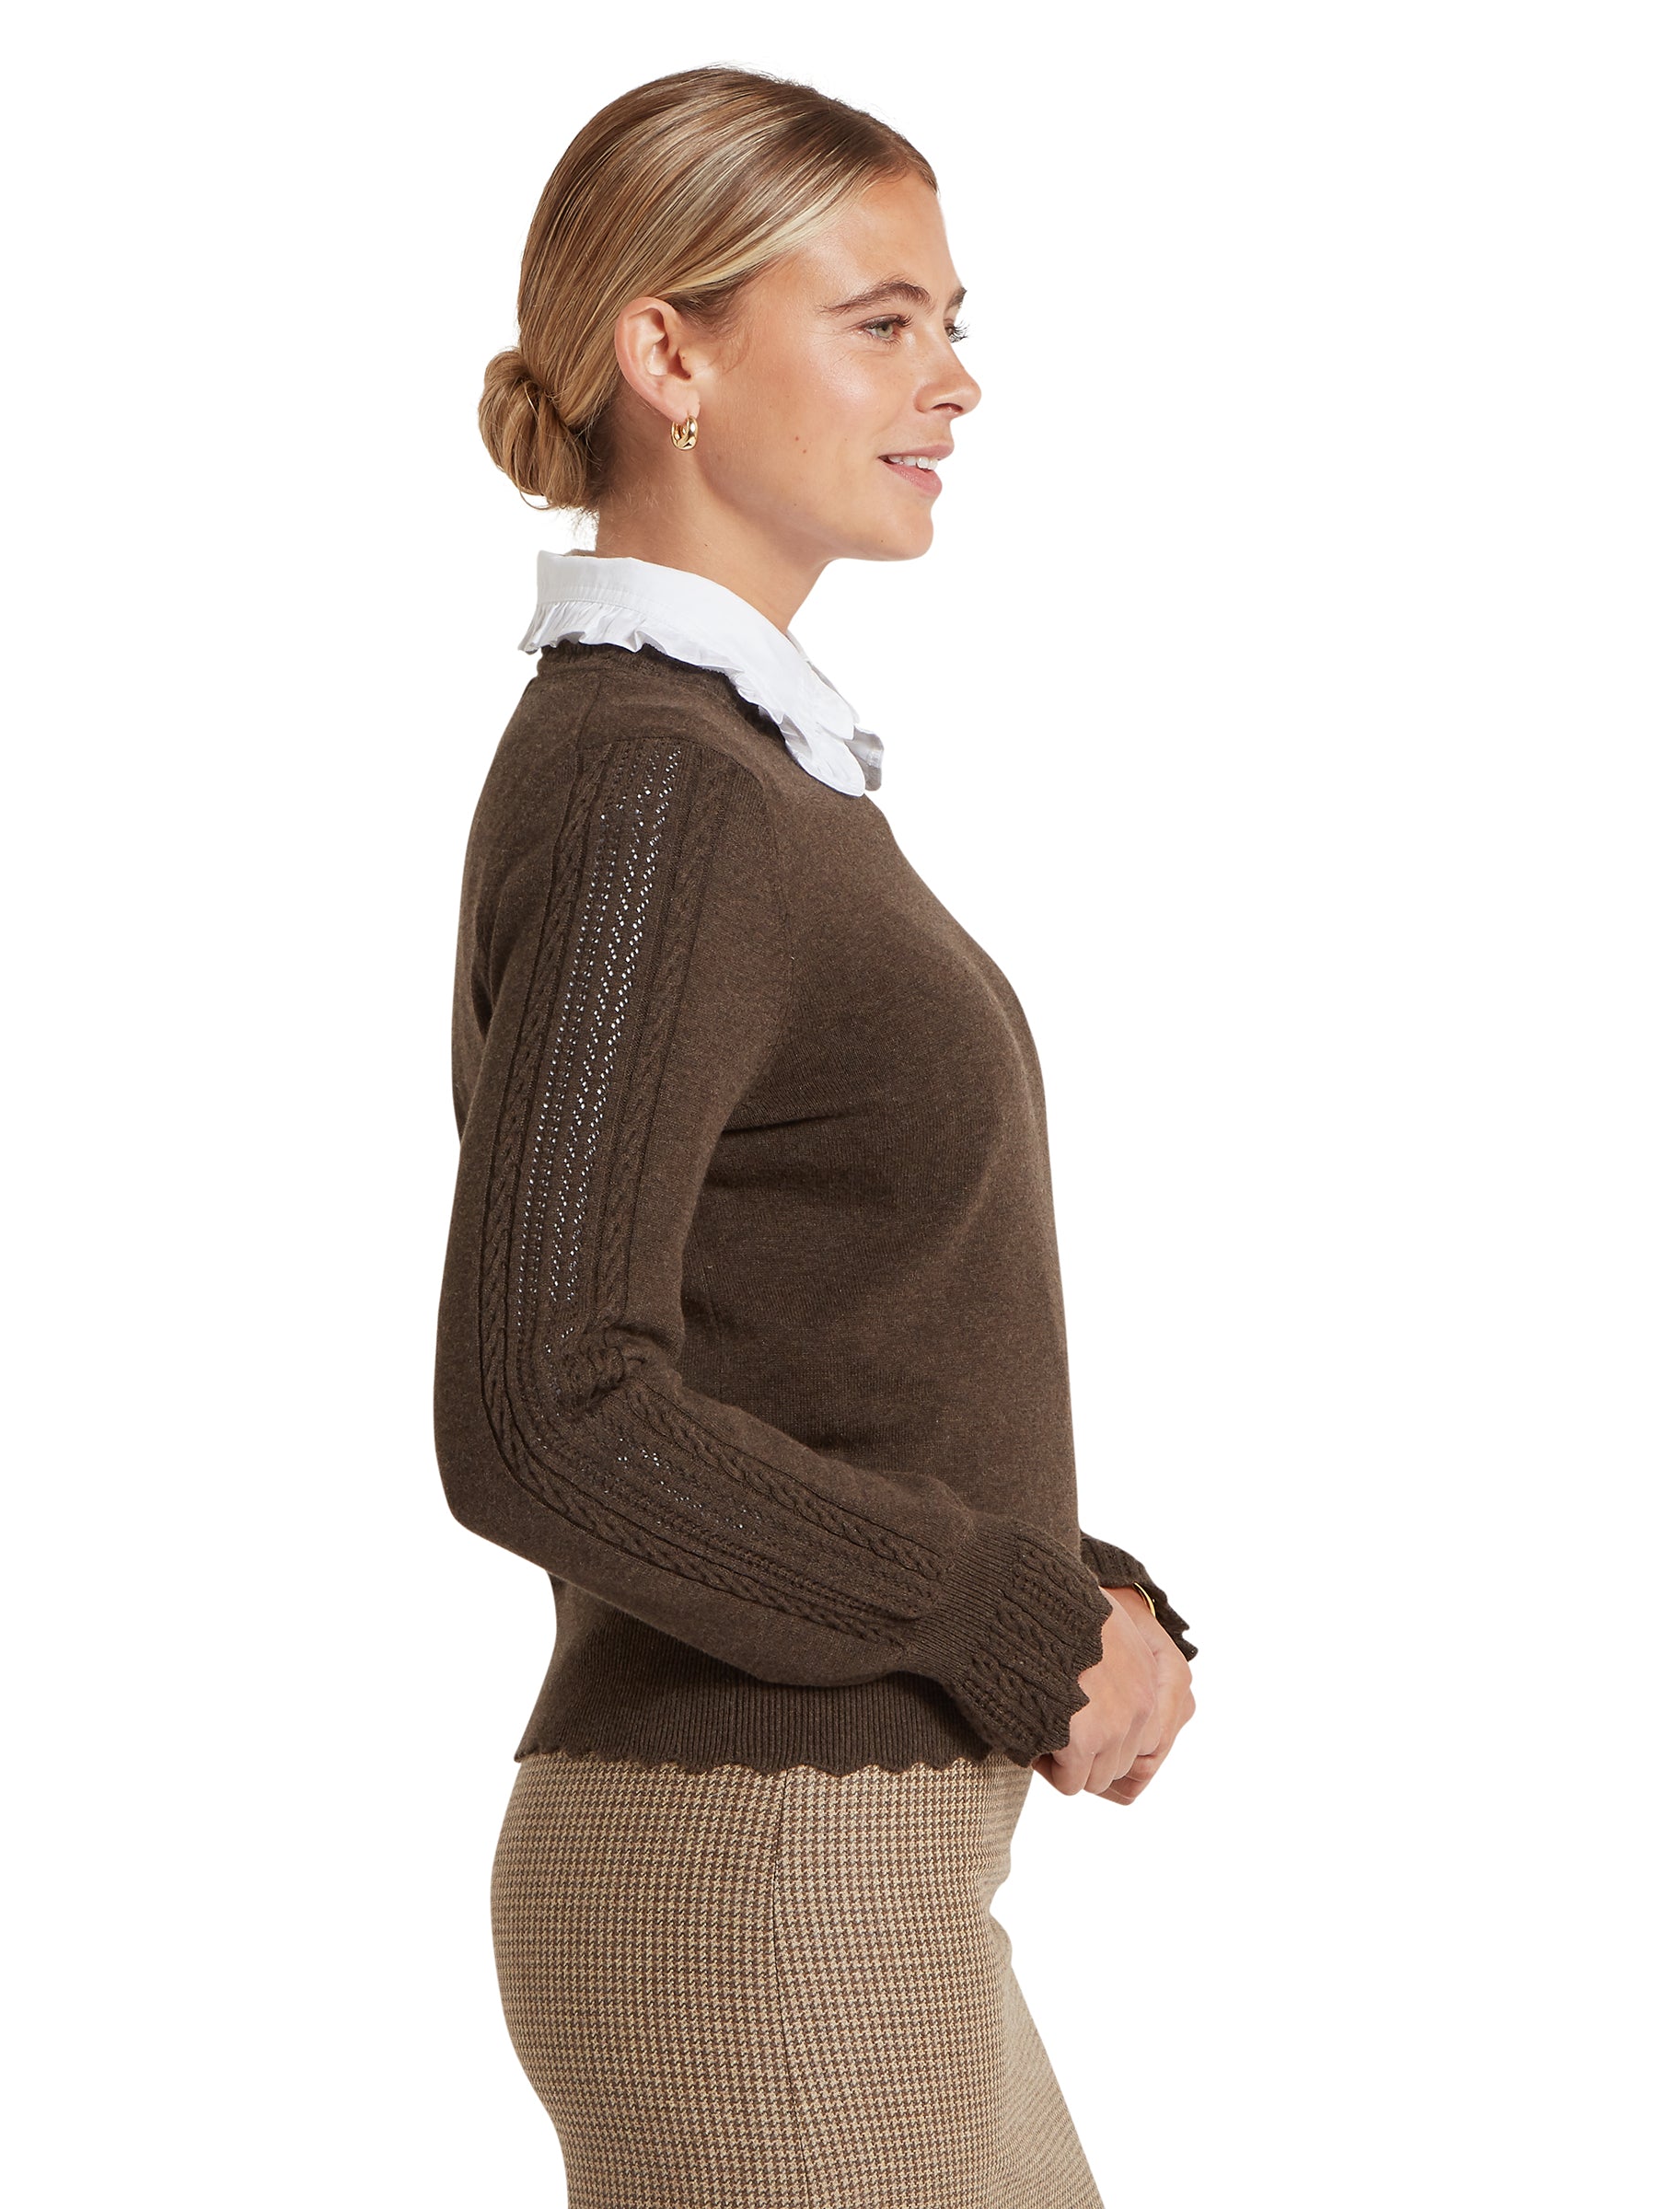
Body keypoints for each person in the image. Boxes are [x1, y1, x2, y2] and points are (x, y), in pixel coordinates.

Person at [433, 64, 1199, 2209]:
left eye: (951, 320)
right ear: (665, 356)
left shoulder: (736, 771)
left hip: (838, 1874)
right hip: (765, 1885)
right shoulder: (659, 788)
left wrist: (1057, 1583)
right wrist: (1009, 1612)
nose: (953, 379)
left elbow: (804, 1335)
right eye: (879, 322)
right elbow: (546, 1414)